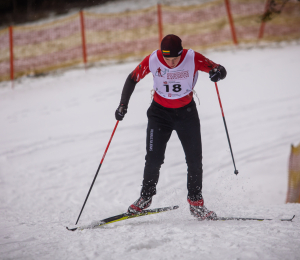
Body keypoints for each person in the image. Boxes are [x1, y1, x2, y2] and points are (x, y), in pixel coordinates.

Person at [115, 34, 226, 220]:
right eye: (167, 59)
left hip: (186, 114)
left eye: (175, 58)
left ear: (181, 53)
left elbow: (219, 70)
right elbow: (132, 78)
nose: (172, 62)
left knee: (194, 159)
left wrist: (218, 73)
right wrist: (122, 105)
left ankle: (196, 203)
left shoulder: (192, 57)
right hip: (159, 115)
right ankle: (146, 197)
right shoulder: (153, 59)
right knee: (153, 158)